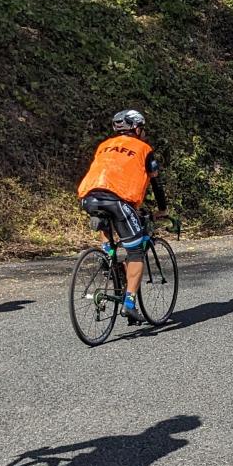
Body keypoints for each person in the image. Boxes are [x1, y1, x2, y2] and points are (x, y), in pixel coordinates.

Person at [76, 110, 169, 325]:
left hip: (89, 197)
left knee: (106, 223)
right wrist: (163, 209)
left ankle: (108, 257)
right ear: (137, 128)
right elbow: (155, 182)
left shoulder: (104, 146)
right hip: (117, 200)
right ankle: (129, 303)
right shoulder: (144, 149)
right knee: (135, 252)